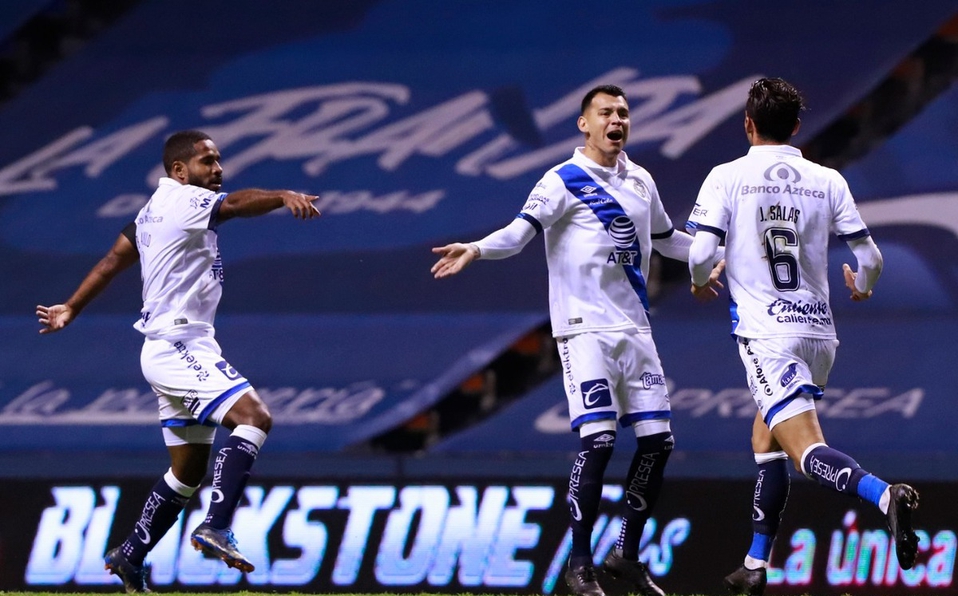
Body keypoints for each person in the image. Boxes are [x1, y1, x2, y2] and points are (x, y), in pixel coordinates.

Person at [431, 85, 723, 596]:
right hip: (584, 330)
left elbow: (666, 239)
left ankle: (625, 555)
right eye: (606, 112)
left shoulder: (641, 180)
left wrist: (720, 253)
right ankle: (580, 563)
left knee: (658, 443)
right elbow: (519, 234)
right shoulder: (561, 179)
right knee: (600, 442)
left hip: (635, 330)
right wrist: (476, 249)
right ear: (584, 124)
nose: (617, 120)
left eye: (623, 113)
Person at [36, 130, 320, 593]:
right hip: (178, 344)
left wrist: (71, 306)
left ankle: (130, 555)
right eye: (208, 161)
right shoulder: (186, 200)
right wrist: (282, 196)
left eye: (219, 160)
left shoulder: (152, 210)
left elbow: (112, 260)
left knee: (188, 470)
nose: (218, 169)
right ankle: (216, 526)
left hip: (169, 348)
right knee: (254, 418)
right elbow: (236, 204)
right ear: (180, 170)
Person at [686, 78, 919, 596]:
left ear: (748, 124)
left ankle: (885, 496)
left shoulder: (727, 176)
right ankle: (754, 564)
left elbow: (701, 254)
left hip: (768, 335)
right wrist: (862, 287)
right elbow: (871, 258)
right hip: (818, 335)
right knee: (764, 438)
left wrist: (700, 282)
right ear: (796, 127)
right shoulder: (827, 179)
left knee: (807, 452)